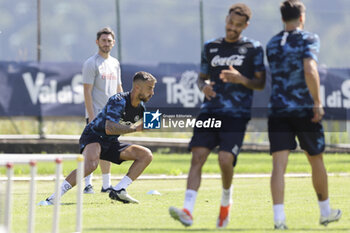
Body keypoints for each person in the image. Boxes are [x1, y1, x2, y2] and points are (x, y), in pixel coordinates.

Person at [169, 3, 266, 228]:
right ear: (226, 19)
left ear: (246, 26)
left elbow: (260, 83)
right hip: (209, 111)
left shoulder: (254, 48)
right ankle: (187, 211)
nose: (232, 28)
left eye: (238, 25)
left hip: (237, 115)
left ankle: (225, 202)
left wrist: (242, 79)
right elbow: (201, 77)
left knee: (225, 160)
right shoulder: (210, 47)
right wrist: (203, 87)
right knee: (197, 157)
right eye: (230, 22)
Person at [266, 0, 341, 229]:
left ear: (282, 18)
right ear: (301, 17)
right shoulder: (309, 38)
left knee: (279, 164)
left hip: (277, 109)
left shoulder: (272, 43)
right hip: (304, 110)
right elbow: (310, 69)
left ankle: (279, 220)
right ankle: (325, 211)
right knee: (315, 159)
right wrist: (317, 101)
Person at [41, 71, 156, 205]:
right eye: (150, 88)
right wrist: (136, 129)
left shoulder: (141, 108)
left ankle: (119, 189)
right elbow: (109, 128)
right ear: (137, 88)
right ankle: (53, 198)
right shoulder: (118, 100)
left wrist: (161, 122)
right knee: (91, 165)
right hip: (94, 136)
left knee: (146, 155)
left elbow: (153, 122)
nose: (152, 92)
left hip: (111, 142)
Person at [82, 27, 123, 194]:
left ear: (113, 43)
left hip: (112, 117)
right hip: (96, 115)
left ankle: (106, 185)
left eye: (109, 41)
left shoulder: (115, 63)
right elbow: (87, 91)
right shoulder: (91, 63)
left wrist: (124, 109)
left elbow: (119, 88)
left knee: (107, 149)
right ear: (97, 42)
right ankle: (87, 183)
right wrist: (92, 117)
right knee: (92, 150)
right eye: (103, 40)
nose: (106, 43)